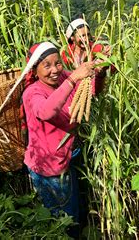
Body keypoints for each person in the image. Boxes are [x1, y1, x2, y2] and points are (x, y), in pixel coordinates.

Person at [21, 41, 107, 236]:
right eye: (47, 65)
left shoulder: (63, 78)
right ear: (34, 71)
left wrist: (100, 72)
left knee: (73, 208)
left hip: (66, 156)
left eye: (58, 63)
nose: (55, 70)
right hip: (49, 168)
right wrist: (73, 79)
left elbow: (91, 90)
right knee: (64, 219)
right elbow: (46, 111)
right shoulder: (32, 93)